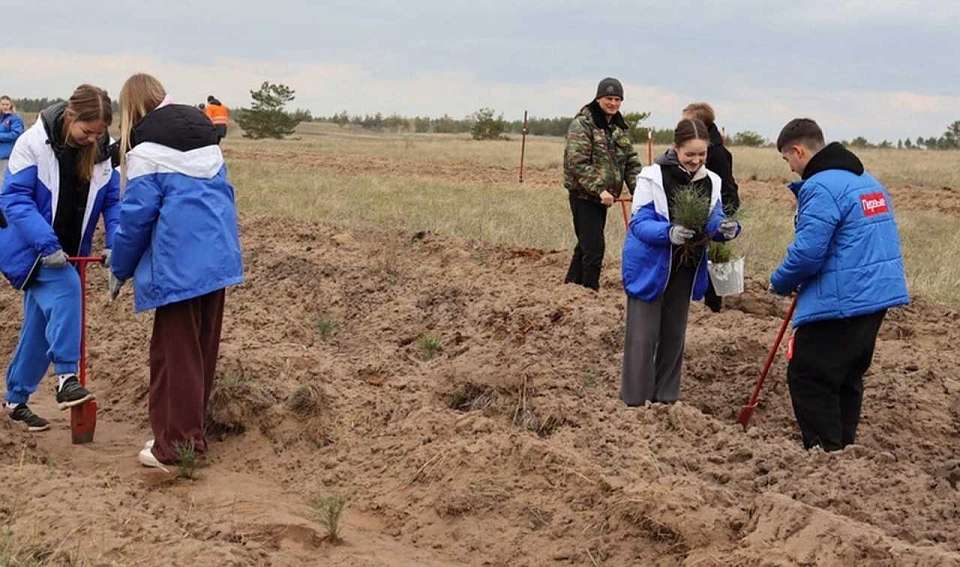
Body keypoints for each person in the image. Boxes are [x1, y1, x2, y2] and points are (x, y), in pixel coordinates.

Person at [110, 74, 244, 469]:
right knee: (200, 351)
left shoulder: (146, 151)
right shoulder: (205, 136)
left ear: (132, 109)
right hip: (218, 259)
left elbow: (135, 219)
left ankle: (176, 448)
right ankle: (189, 436)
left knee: (173, 356)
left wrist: (119, 268)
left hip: (178, 267)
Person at [770, 118, 908, 451]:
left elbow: (808, 252)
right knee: (846, 376)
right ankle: (844, 453)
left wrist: (780, 281)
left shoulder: (820, 187)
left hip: (843, 299)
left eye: (787, 160)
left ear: (798, 151)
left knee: (809, 375)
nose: (790, 169)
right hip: (876, 295)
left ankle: (826, 456)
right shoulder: (867, 181)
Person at [0, 85, 118, 431]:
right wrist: (47, 245)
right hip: (27, 245)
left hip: (68, 251)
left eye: (99, 133)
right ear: (70, 116)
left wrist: (115, 243)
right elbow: (14, 199)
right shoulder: (32, 143)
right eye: (87, 131)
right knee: (67, 289)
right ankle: (67, 377)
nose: (92, 139)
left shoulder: (102, 152)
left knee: (39, 327)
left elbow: (113, 202)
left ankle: (15, 401)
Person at [621, 119, 741, 406]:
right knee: (643, 336)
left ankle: (666, 398)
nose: (696, 160)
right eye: (690, 154)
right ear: (676, 148)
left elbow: (714, 217)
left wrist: (725, 228)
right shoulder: (652, 177)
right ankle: (635, 401)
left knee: (674, 334)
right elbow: (639, 222)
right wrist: (668, 233)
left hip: (686, 266)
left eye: (702, 154)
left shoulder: (711, 181)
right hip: (651, 266)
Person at [563, 77, 643, 290]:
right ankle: (590, 292)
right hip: (584, 195)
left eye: (617, 99)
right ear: (598, 98)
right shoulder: (583, 124)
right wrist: (600, 189)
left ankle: (570, 288)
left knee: (585, 245)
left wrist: (640, 190)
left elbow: (631, 161)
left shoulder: (619, 127)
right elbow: (577, 162)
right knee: (594, 249)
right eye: (609, 98)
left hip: (604, 198)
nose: (613, 103)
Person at [682, 102, 740, 312]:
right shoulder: (705, 148)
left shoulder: (716, 153)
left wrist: (722, 217)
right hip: (703, 209)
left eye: (686, 122)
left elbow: (724, 186)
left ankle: (713, 306)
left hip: (718, 210)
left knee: (714, 258)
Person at [0, 96, 25, 177]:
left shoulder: (15, 118)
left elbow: (16, 134)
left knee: (3, 179)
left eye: (7, 104)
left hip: (7, 155)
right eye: (3, 104)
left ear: (11, 105)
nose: (5, 106)